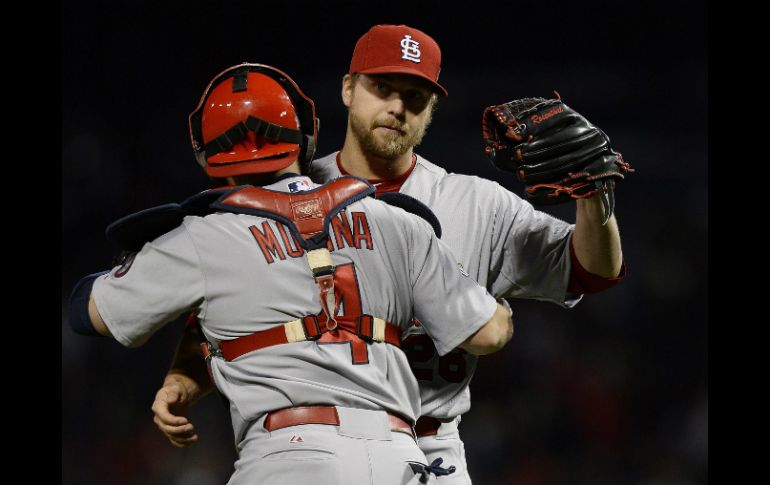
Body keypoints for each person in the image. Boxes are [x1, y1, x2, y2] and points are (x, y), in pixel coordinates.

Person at [153, 24, 626, 484]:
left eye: (415, 96)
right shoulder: (280, 194)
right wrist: (184, 376)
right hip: (306, 449)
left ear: (432, 109)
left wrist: (593, 198)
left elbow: (592, 271)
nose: (397, 107)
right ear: (348, 89)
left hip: (429, 451)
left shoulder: (476, 204)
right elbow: (221, 305)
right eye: (381, 87)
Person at [68, 62, 514, 485]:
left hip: (290, 456)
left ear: (207, 156)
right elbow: (488, 335)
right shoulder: (397, 220)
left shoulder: (202, 236)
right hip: (400, 457)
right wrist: (501, 309)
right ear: (307, 136)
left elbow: (90, 313)